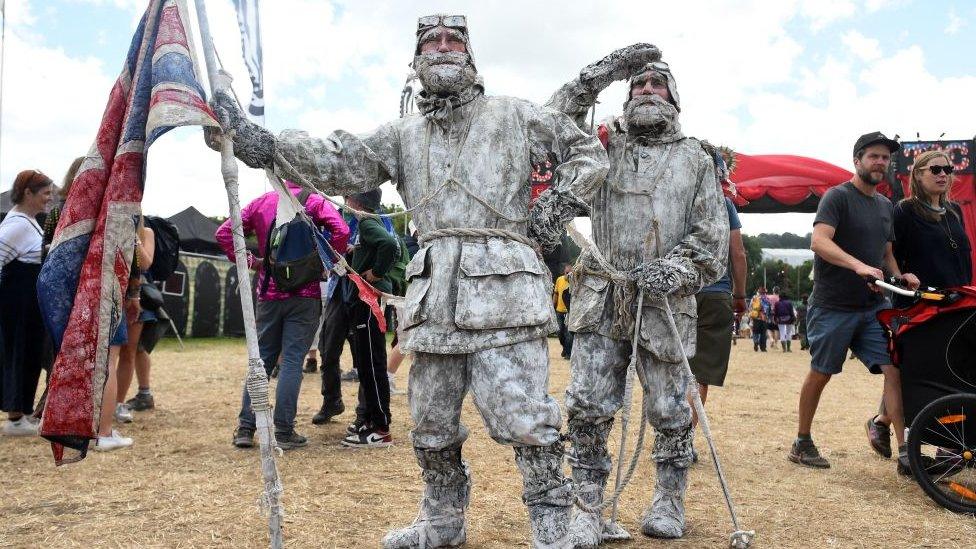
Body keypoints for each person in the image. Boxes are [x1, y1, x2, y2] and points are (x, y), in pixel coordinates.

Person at [207, 13, 608, 547]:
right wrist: (260, 142)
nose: (443, 48)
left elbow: (586, 153)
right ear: (416, 59)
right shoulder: (403, 135)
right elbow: (338, 161)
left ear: (470, 54)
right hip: (435, 296)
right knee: (431, 422)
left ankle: (552, 526)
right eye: (431, 41)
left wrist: (555, 206)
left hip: (507, 291)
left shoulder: (514, 115)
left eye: (454, 40)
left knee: (527, 419)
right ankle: (442, 523)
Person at [548, 49, 728, 543]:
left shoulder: (696, 157)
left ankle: (669, 501)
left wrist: (677, 267)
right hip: (602, 294)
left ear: (675, 99)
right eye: (638, 84)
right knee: (587, 404)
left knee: (671, 409)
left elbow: (711, 237)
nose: (647, 88)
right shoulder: (600, 146)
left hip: (666, 302)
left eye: (658, 83)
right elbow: (549, 123)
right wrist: (599, 76)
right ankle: (588, 507)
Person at [789, 131, 919, 473]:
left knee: (894, 370)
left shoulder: (884, 205)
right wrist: (858, 265)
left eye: (885, 158)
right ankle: (802, 441)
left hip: (871, 308)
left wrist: (899, 275)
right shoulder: (837, 197)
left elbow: (886, 252)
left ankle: (906, 452)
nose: (881, 163)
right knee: (822, 373)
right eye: (874, 156)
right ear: (857, 160)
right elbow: (819, 242)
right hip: (832, 306)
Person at [216, 180, 349, 451]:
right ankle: (284, 430)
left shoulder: (263, 202)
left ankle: (245, 427)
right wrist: (327, 264)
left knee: (261, 360)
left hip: (268, 294)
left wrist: (252, 262)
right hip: (306, 294)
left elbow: (224, 232)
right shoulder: (314, 202)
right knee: (291, 362)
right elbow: (341, 229)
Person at [866, 149, 972, 471]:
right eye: (935, 169)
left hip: (956, 304)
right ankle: (892, 429)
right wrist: (899, 277)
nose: (943, 174)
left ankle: (949, 443)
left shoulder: (954, 211)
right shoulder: (905, 211)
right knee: (919, 373)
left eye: (947, 169)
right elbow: (888, 253)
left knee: (956, 371)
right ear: (919, 174)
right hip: (919, 305)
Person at [334, 189, 399, 448]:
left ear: (356, 201)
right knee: (367, 362)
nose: (345, 201)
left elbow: (389, 244)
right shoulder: (365, 225)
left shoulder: (369, 222)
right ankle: (372, 420)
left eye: (348, 197)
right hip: (363, 303)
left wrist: (375, 272)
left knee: (372, 364)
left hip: (368, 302)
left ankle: (380, 427)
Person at [0, 170, 53, 436]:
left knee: (29, 356)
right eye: (45, 193)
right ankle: (16, 417)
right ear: (28, 193)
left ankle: (21, 413)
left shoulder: (29, 221)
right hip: (16, 304)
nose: (49, 198)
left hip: (27, 304)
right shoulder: (18, 224)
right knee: (18, 355)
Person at [689, 196, 747, 431]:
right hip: (715, 292)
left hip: (675, 290)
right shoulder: (724, 203)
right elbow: (738, 253)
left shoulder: (676, 192)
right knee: (700, 374)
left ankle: (667, 434)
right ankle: (682, 439)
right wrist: (740, 294)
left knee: (669, 369)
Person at [113, 216, 155, 423]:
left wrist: (133, 237)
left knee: (129, 350)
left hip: (135, 294)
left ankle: (118, 403)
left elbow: (146, 262)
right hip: (111, 290)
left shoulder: (146, 232)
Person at [553, 263, 574, 359]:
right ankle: (565, 348)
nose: (568, 274)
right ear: (564, 271)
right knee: (559, 332)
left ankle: (568, 354)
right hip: (559, 311)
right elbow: (556, 294)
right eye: (567, 271)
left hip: (570, 311)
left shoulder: (575, 281)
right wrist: (552, 306)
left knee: (568, 334)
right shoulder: (559, 280)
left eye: (570, 271)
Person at [749, 287, 770, 352]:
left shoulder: (754, 297)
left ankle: (756, 342)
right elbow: (769, 309)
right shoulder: (766, 298)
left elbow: (750, 307)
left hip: (755, 317)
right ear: (765, 292)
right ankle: (763, 347)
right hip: (763, 318)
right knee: (763, 333)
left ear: (758, 291)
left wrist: (751, 315)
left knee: (755, 331)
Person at [766, 285, 781, 350]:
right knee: (776, 329)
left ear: (773, 291)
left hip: (770, 315)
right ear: (779, 291)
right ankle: (775, 344)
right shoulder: (780, 298)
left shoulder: (769, 297)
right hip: (777, 315)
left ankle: (771, 339)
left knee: (769, 328)